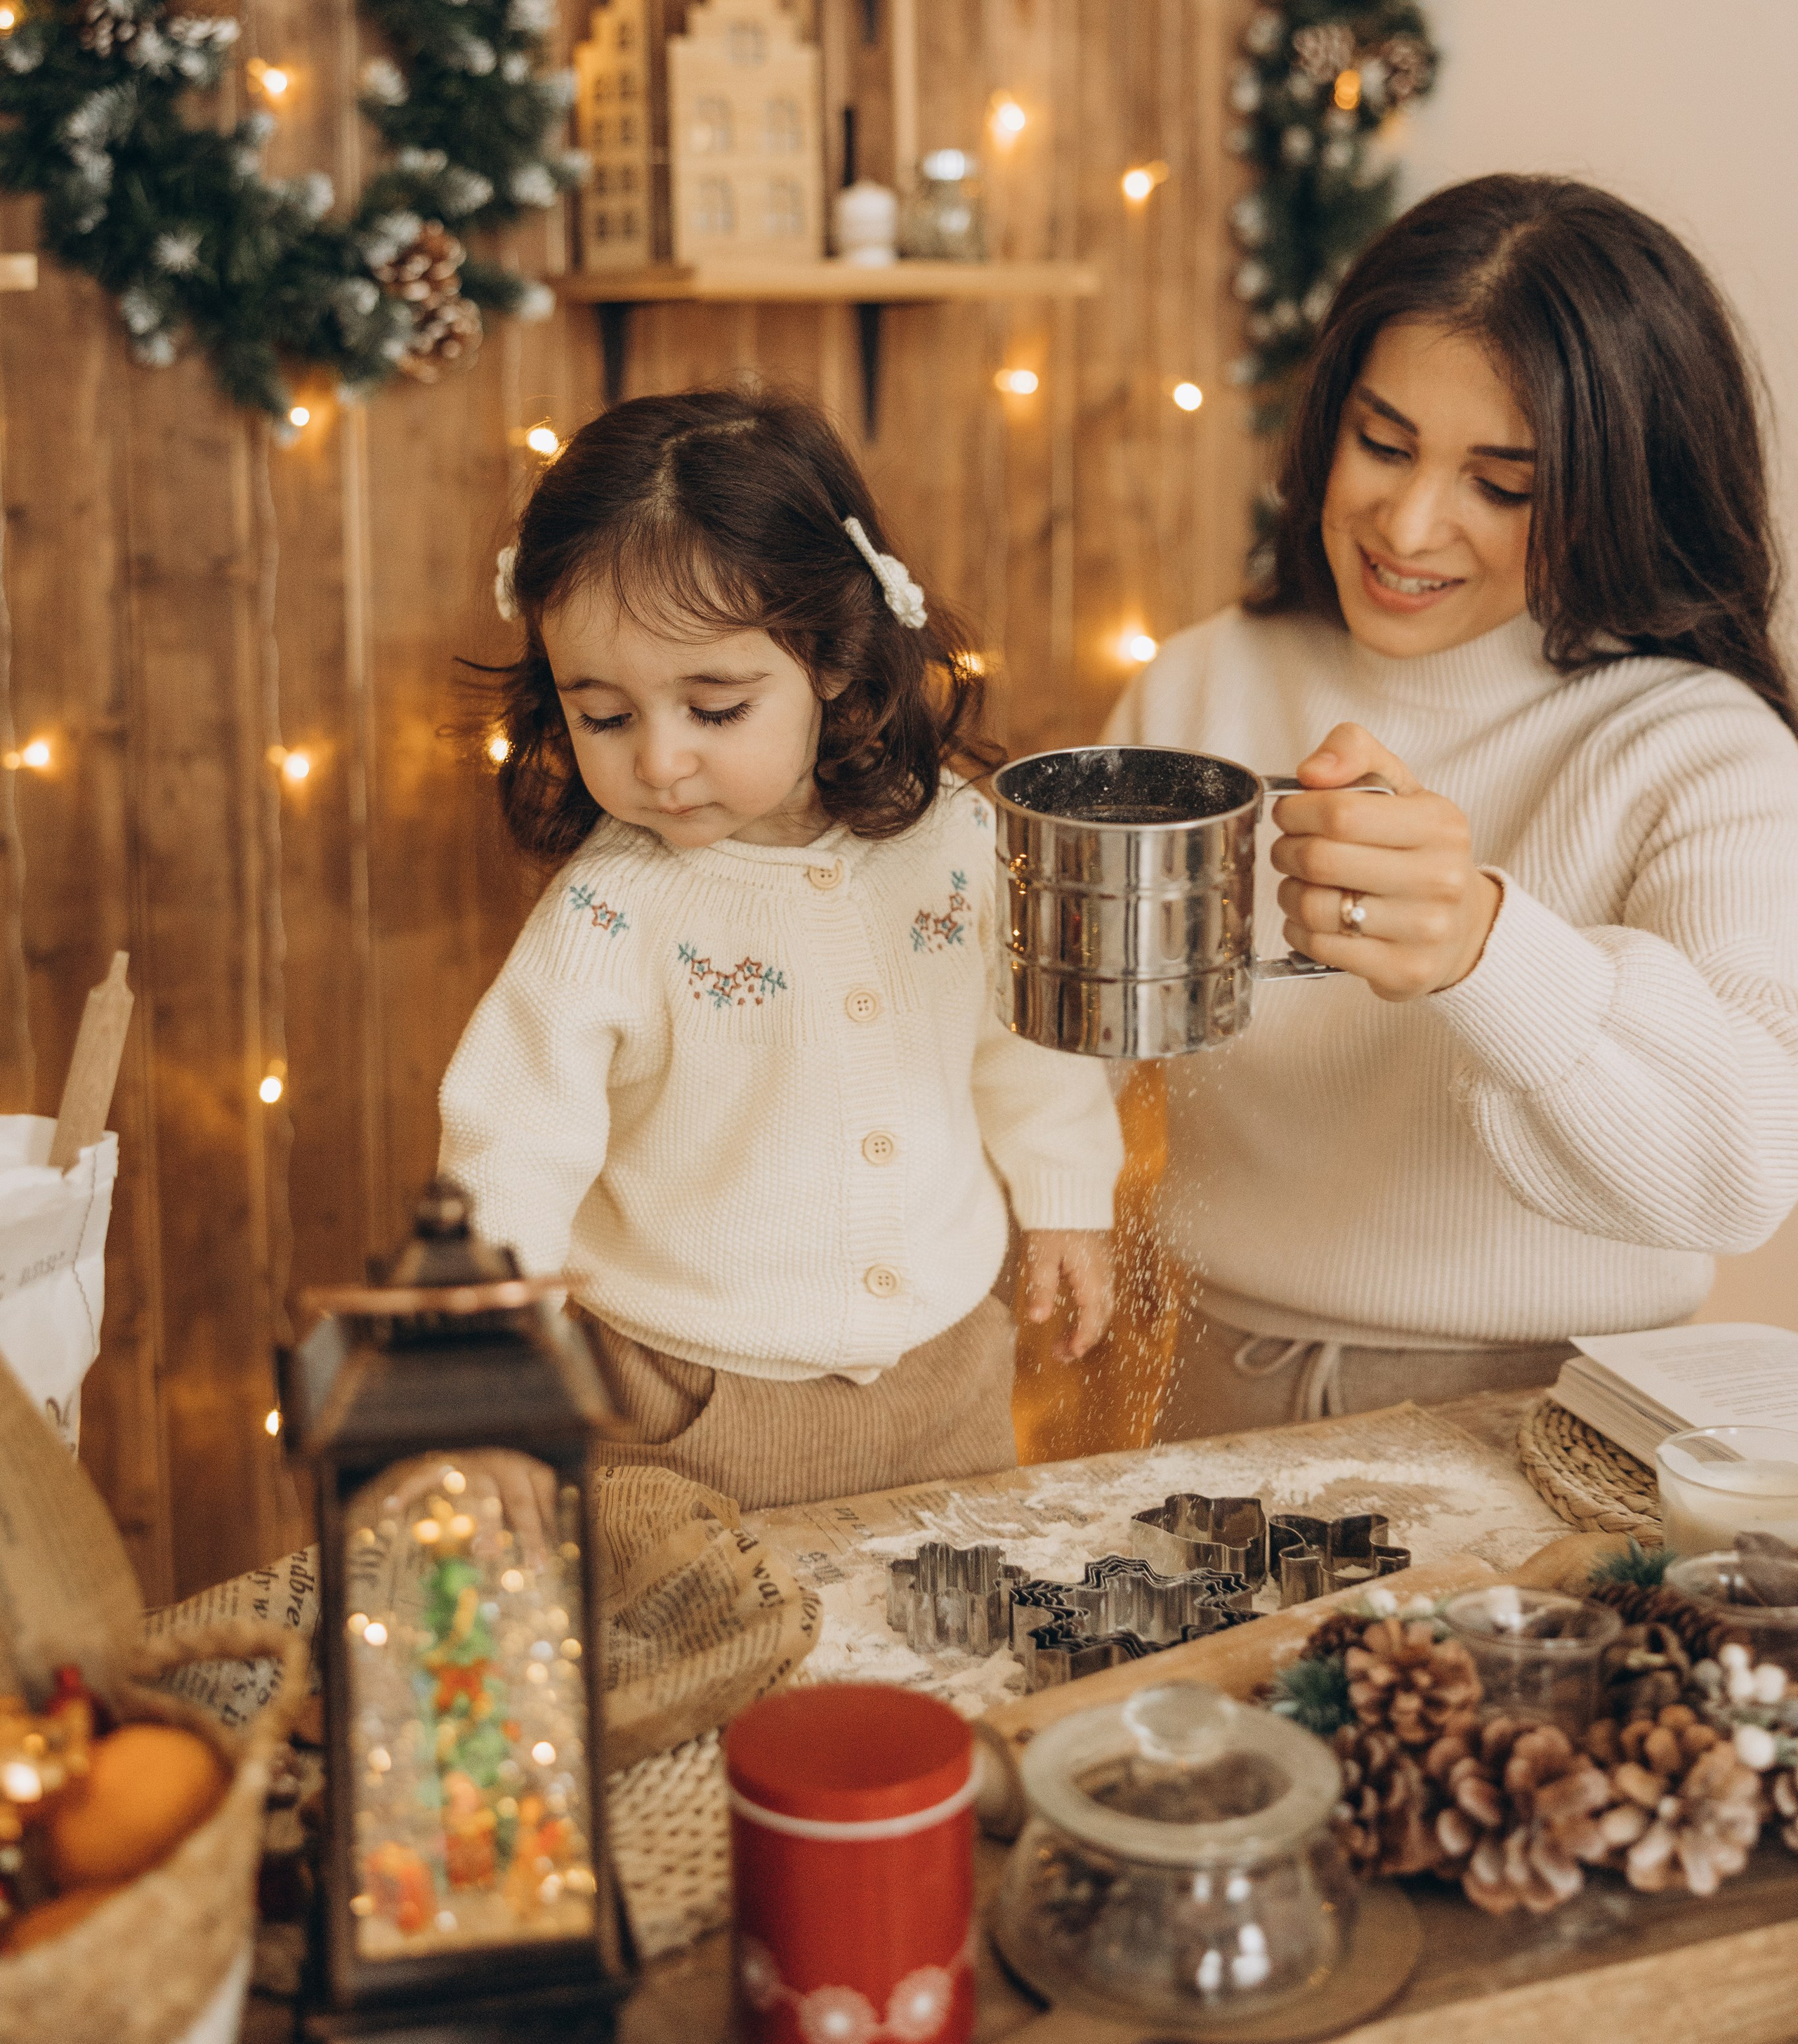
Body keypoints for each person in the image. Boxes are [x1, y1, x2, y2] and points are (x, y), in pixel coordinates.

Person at [1108, 174, 1798, 1438]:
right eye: (1383, 443)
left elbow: (1743, 1170)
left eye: (1504, 484)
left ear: (1619, 493)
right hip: (1209, 1380)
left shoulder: (1700, 749)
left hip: (1561, 1412)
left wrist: (1487, 946)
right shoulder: (1205, 678)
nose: (1411, 523)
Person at [440, 388, 1122, 1508]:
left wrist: (1066, 1198)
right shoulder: (610, 913)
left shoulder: (958, 839)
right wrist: (494, 1368)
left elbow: (1026, 1036)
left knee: (945, 1663)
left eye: (714, 709)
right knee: (714, 1668)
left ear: (837, 662)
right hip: (685, 1401)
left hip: (945, 1376)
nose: (659, 762)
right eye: (605, 716)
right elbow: (508, 1149)